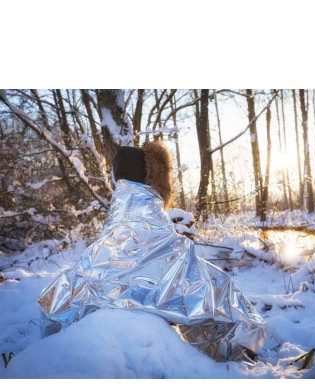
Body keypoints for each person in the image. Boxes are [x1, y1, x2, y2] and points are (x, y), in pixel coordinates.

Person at [38, 141, 266, 362]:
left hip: (101, 341)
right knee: (211, 285)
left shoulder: (112, 231)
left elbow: (56, 309)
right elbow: (209, 293)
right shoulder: (160, 234)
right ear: (158, 181)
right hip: (145, 342)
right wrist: (249, 338)